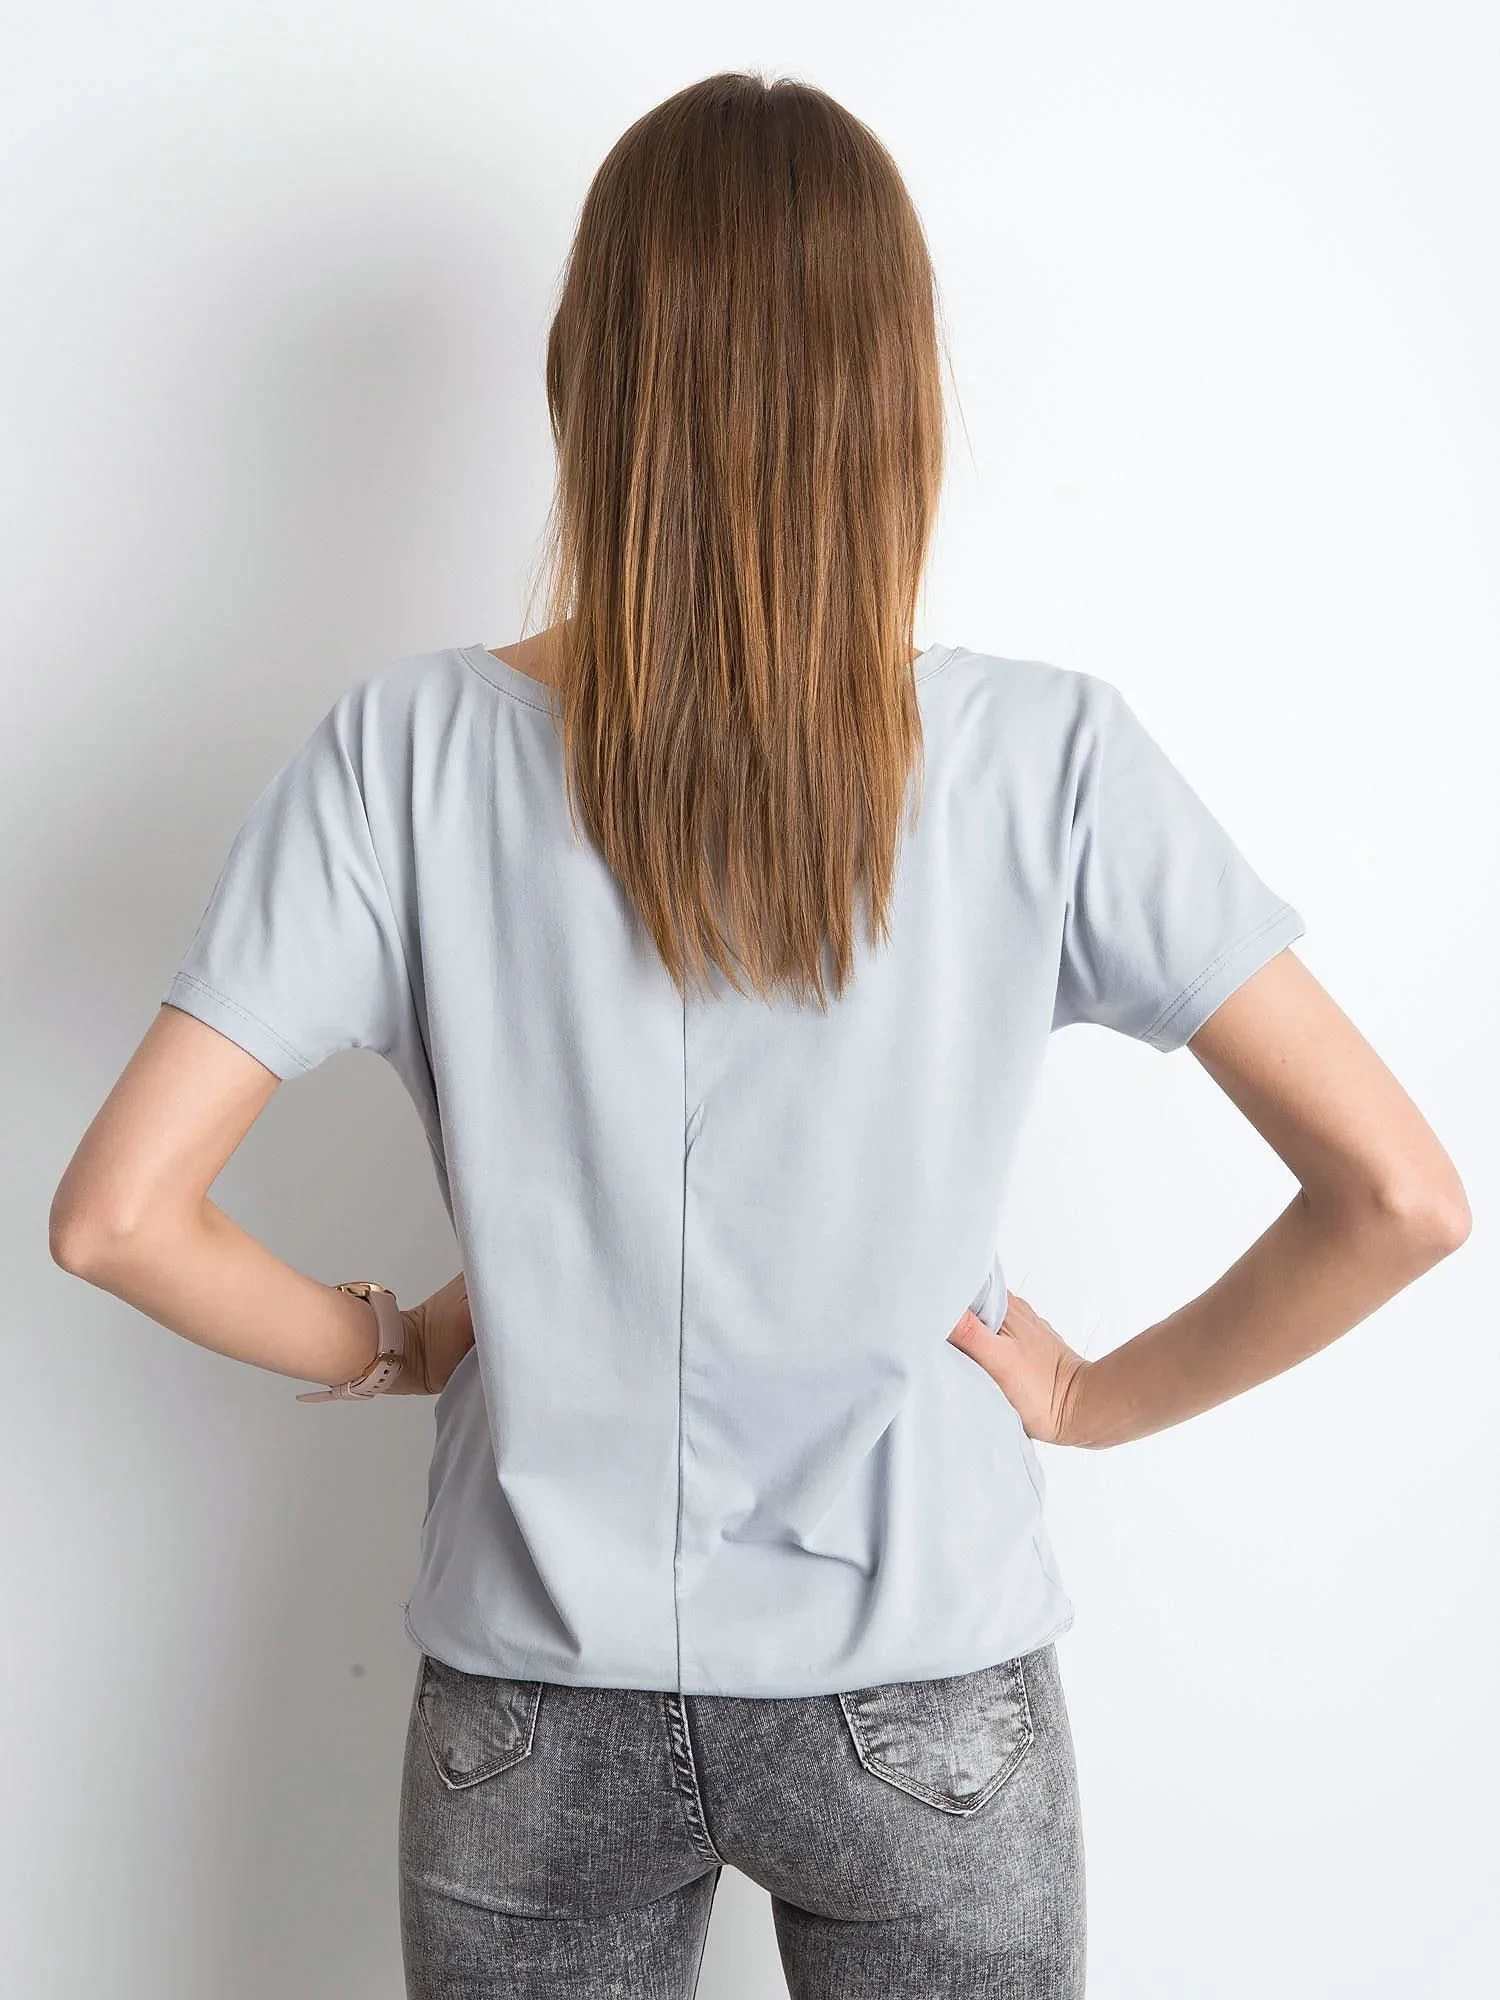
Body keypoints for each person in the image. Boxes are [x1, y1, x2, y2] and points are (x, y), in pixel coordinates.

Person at [49, 69, 1469, 2000]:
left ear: (582, 377)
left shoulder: (406, 752)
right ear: (897, 399)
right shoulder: (1048, 760)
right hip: (926, 1702)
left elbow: (120, 1218)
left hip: (532, 1708)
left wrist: (389, 1342)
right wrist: (1089, 1400)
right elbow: (1398, 1196)